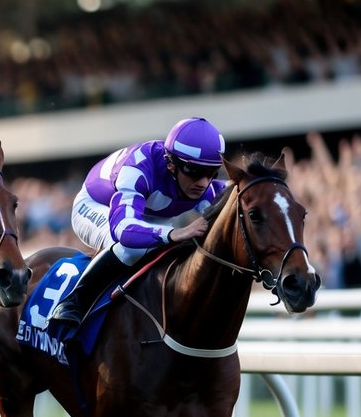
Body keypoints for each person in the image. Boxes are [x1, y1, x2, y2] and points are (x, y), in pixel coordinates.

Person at [47, 116, 228, 332]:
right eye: (194, 172)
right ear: (171, 163)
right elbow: (123, 230)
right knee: (131, 250)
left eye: (211, 173)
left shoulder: (203, 183)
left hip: (146, 213)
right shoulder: (139, 168)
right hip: (99, 206)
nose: (203, 183)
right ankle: (74, 303)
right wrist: (173, 233)